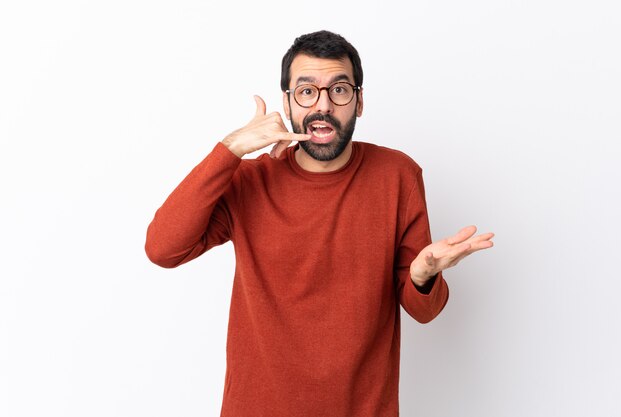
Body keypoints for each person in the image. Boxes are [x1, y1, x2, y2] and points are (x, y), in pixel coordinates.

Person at [145, 30, 494, 417]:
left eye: (339, 90)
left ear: (359, 102)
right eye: (307, 91)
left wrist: (423, 274)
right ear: (288, 102)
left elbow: (425, 311)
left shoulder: (398, 175)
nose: (323, 105)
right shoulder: (250, 180)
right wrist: (230, 149)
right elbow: (163, 248)